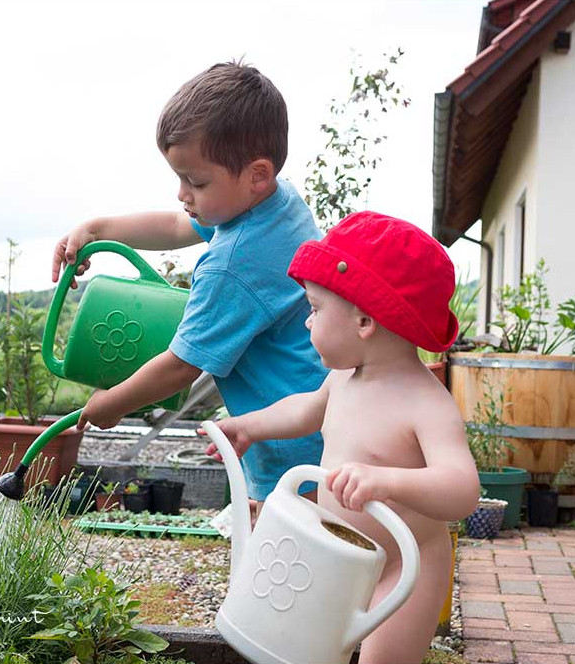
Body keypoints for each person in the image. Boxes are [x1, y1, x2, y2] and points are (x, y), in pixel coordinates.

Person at [204, 211, 481, 664]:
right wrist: (249, 426)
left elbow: (462, 489)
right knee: (299, 649)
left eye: (314, 310)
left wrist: (387, 481)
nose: (307, 324)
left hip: (402, 570)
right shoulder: (342, 379)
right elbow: (305, 410)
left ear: (364, 322)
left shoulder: (426, 403)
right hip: (335, 558)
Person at [50, 61, 328, 503]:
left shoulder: (233, 263)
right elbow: (179, 226)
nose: (183, 194)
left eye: (195, 181)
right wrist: (99, 227)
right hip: (320, 422)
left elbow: (182, 364)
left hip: (293, 450)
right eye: (179, 177)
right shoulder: (273, 204)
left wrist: (114, 402)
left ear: (257, 174)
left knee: (290, 559)